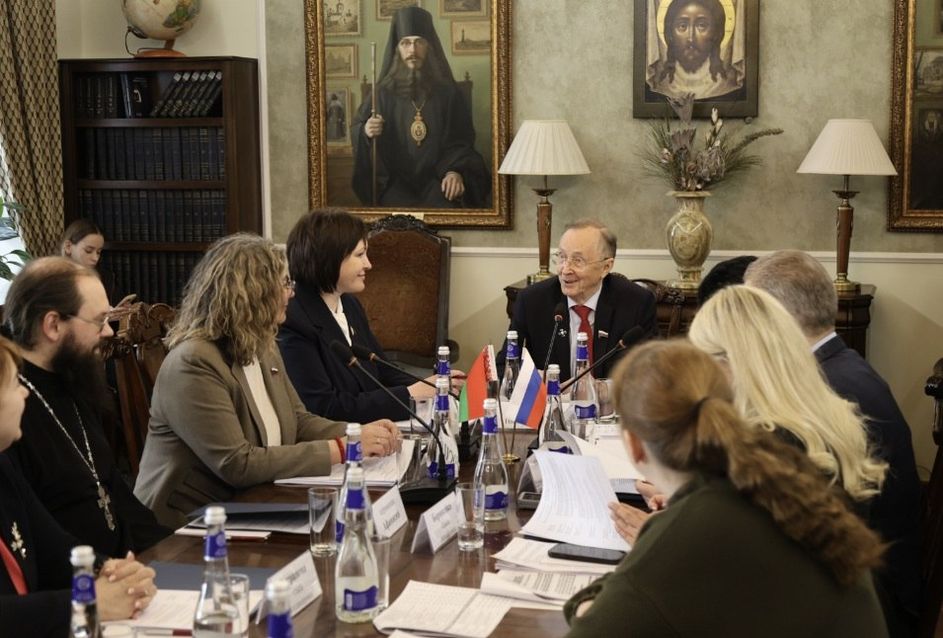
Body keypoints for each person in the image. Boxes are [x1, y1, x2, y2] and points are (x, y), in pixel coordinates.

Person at [565, 340, 888, 638]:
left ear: (634, 445)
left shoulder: (697, 524)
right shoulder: (775, 472)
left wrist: (583, 603)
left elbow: (592, 628)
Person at [134, 234, 402, 528]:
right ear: (253, 292)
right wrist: (342, 448)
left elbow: (298, 421)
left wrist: (358, 434)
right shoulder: (194, 362)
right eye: (285, 283)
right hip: (188, 521)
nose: (292, 293)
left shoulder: (262, 346)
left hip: (256, 500)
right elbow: (237, 464)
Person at [611, 286, 887, 544]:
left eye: (701, 360)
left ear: (730, 363)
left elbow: (741, 559)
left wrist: (659, 537)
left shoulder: (769, 447)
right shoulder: (823, 415)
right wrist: (683, 504)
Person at [745, 249, 922, 638]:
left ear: (777, 316)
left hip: (867, 602)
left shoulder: (829, 390)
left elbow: (799, 527)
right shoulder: (841, 366)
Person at [1, 257, 170, 556]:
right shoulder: (9, 411)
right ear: (53, 325)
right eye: (99, 320)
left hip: (123, 566)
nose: (108, 332)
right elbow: (38, 542)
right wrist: (105, 571)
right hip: (79, 577)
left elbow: (114, 492)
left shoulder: (72, 377)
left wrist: (174, 550)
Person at [0, 335, 156, 636]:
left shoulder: (3, 466)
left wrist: (110, 571)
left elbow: (54, 546)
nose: (25, 392)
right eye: (13, 384)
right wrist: (86, 602)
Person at [278, 209, 456, 423]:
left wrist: (433, 385)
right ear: (330, 257)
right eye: (360, 255)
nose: (368, 264)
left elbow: (381, 369)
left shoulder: (349, 303)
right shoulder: (294, 321)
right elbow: (325, 407)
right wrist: (411, 394)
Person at [350, 6, 490, 208]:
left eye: (419, 42)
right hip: (394, 184)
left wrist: (454, 171)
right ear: (397, 49)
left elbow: (460, 141)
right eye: (405, 43)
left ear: (429, 47)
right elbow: (357, 129)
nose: (412, 51)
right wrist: (366, 131)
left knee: (448, 205)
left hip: (438, 180)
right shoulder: (382, 93)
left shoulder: (448, 93)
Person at [498, 219, 657, 382]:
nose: (565, 270)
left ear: (606, 267)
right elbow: (504, 366)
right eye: (562, 257)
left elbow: (651, 373)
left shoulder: (637, 303)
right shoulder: (532, 301)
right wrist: (534, 381)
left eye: (578, 261)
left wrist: (604, 389)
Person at [646, 0, 744, 101]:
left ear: (716, 33)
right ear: (670, 33)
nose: (691, 38)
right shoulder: (662, 87)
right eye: (682, 26)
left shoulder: (726, 87)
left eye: (701, 25)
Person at [60, 218, 116, 302]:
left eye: (98, 252)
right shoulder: (52, 279)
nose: (95, 258)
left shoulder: (106, 278)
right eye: (88, 251)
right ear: (68, 247)